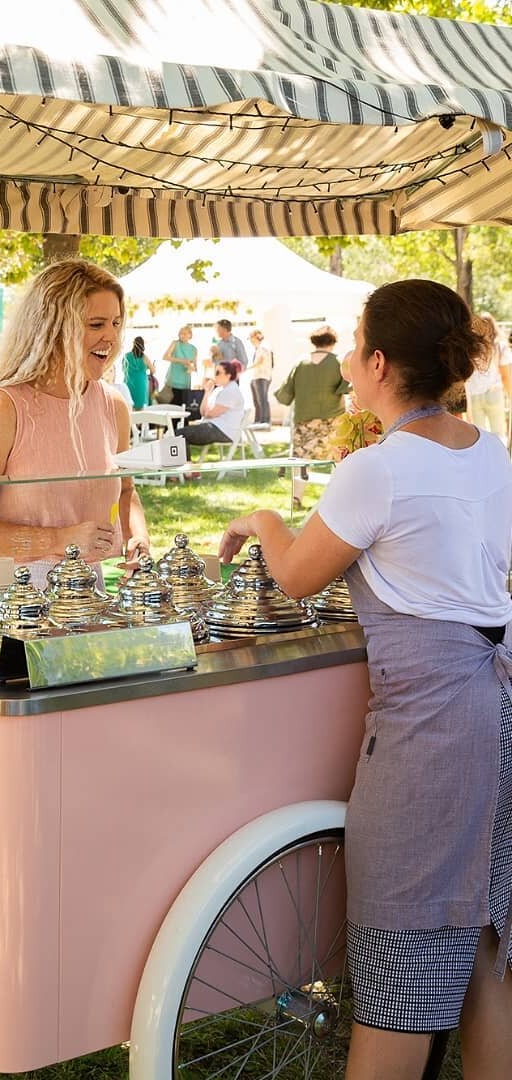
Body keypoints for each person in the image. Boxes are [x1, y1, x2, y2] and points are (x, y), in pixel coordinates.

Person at [218, 279, 512, 1080]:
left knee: (400, 966)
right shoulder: (493, 453)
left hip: (433, 734)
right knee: (494, 946)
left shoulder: (377, 470)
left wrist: (262, 522)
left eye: (354, 348)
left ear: (379, 363)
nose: (348, 362)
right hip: (503, 715)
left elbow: (297, 577)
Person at [0, 258, 150, 589]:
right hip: (11, 598)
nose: (111, 337)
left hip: (86, 596)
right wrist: (59, 541)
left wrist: (137, 535)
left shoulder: (113, 406)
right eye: (96, 324)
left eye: (116, 323)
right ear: (52, 328)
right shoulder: (2, 409)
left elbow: (126, 490)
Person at [275, 325, 352, 507]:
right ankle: (339, 499)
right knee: (338, 460)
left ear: (313, 342)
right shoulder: (338, 362)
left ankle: (296, 498)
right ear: (332, 342)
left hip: (304, 421)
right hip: (333, 422)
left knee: (301, 461)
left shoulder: (300, 363)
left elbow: (285, 394)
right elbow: (347, 387)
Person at [178, 359, 245, 463]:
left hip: (223, 430)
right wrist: (207, 392)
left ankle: (187, 470)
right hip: (215, 427)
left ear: (228, 375)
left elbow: (209, 413)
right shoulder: (220, 389)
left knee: (179, 435)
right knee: (178, 434)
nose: (215, 376)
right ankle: (186, 469)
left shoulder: (231, 391)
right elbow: (203, 412)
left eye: (218, 373)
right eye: (215, 372)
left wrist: (207, 412)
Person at [467, 314, 506, 439]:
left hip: (474, 394)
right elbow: (505, 375)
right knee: (499, 433)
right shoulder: (498, 346)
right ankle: (500, 458)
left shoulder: (470, 348)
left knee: (479, 435)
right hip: (493, 391)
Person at [160, 326, 197, 407]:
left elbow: (195, 368)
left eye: (184, 333)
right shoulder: (175, 343)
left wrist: (191, 368)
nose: (182, 335)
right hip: (173, 382)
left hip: (185, 383)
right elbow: (165, 357)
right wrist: (182, 361)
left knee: (183, 408)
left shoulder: (194, 349)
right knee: (171, 408)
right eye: (180, 333)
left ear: (190, 335)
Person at [248, 329, 274, 424]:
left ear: (256, 337)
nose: (250, 340)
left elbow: (260, 361)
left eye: (251, 338)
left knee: (262, 400)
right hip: (258, 376)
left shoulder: (263, 347)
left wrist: (246, 369)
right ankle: (259, 420)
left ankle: (264, 421)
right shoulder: (261, 347)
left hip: (261, 376)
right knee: (258, 400)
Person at [122, 336, 153, 410]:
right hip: (141, 383)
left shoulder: (126, 356)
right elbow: (153, 370)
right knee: (141, 406)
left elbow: (123, 369)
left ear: (133, 343)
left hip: (129, 382)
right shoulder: (144, 357)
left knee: (129, 405)